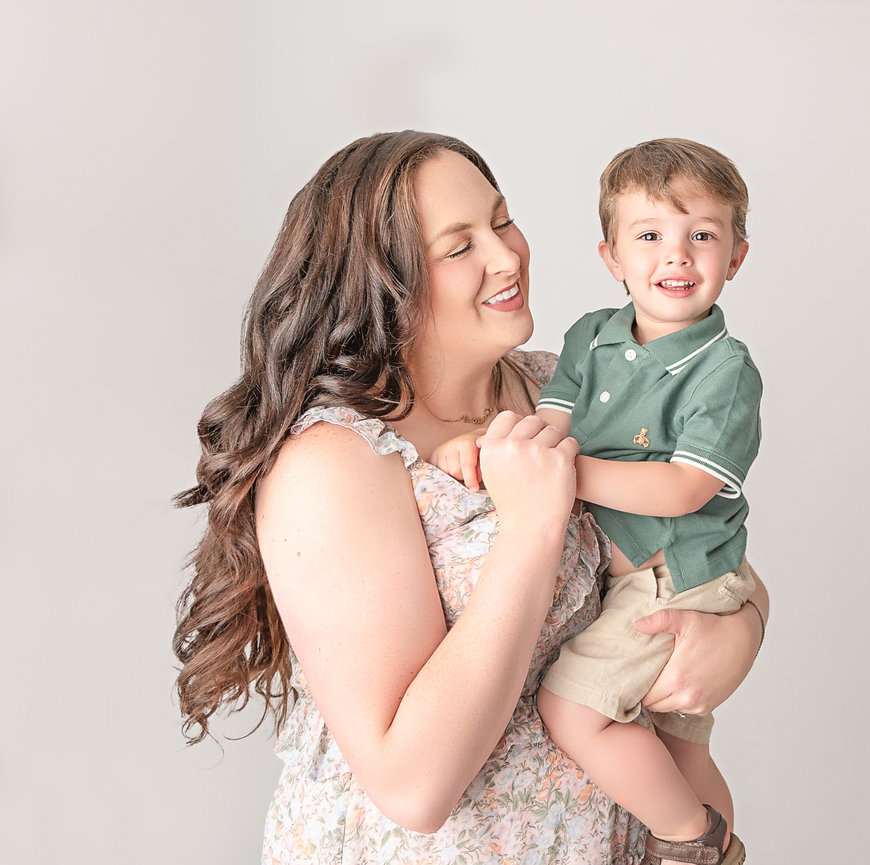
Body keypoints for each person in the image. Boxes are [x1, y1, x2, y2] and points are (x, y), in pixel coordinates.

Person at [173, 131, 769, 865]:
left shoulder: (560, 386)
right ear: (382, 281)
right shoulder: (334, 460)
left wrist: (743, 625)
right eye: (459, 247)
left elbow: (694, 548)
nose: (506, 256)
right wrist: (530, 525)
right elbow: (413, 788)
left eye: (502, 219)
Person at [432, 138, 762, 864]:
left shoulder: (723, 369)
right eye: (649, 237)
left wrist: (559, 473)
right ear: (612, 257)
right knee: (674, 734)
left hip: (678, 568)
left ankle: (689, 838)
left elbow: (684, 488)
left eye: (701, 236)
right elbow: (546, 425)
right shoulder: (589, 337)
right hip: (644, 570)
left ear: (734, 256)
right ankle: (715, 841)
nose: (675, 257)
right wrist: (490, 449)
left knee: (571, 709)